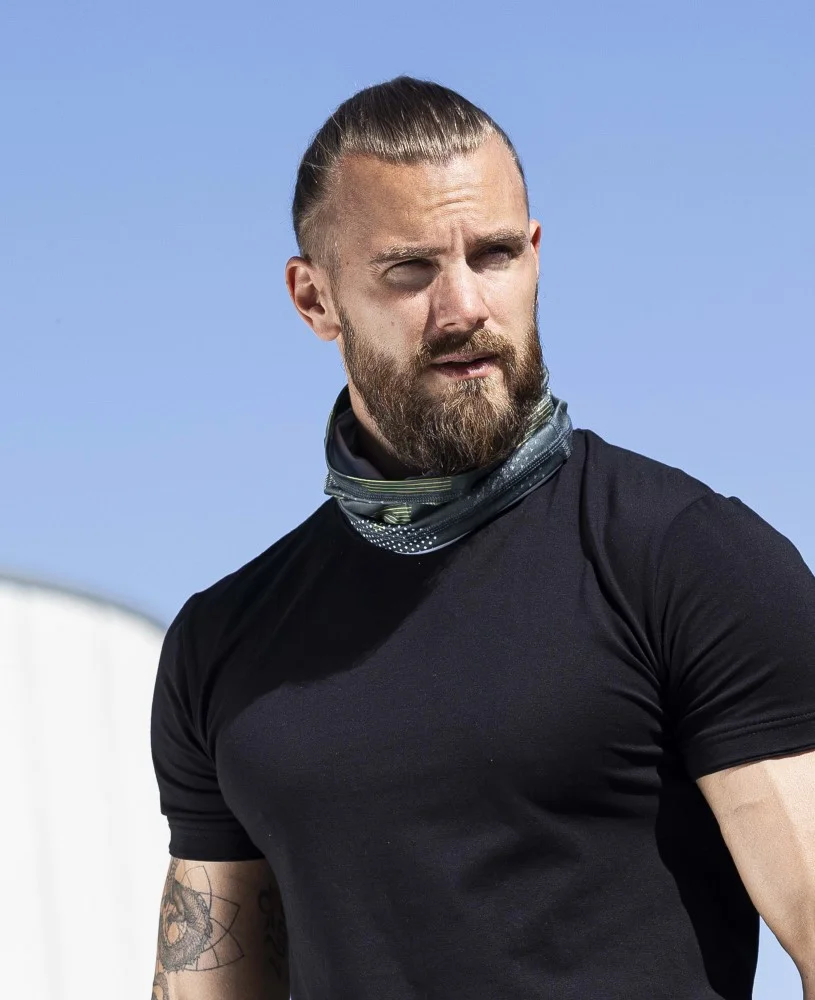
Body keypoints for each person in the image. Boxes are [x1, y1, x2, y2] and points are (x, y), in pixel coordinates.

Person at [149, 76, 815, 1000]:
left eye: (493, 254)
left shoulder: (687, 559)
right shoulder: (221, 643)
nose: (463, 306)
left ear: (534, 256)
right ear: (315, 299)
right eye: (409, 270)